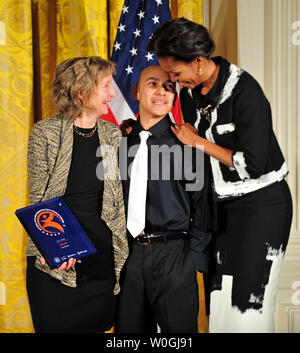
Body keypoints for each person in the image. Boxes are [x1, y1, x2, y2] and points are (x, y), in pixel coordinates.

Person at [147, 17, 293, 333]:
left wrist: (198, 141)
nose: (173, 81)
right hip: (220, 210)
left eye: (176, 73)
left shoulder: (246, 93)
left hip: (261, 208)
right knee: (221, 309)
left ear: (198, 62)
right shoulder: (189, 93)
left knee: (247, 311)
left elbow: (253, 165)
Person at [26, 56, 128, 333]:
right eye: (106, 86)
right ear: (82, 92)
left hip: (101, 260)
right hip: (55, 261)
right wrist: (54, 246)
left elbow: (117, 198)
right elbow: (38, 200)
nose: (112, 94)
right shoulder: (45, 132)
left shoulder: (112, 134)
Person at [115, 64, 211, 333]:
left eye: (169, 87)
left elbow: (203, 205)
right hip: (129, 255)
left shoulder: (187, 143)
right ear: (135, 91)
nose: (162, 92)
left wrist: (191, 257)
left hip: (173, 255)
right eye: (153, 84)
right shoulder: (119, 143)